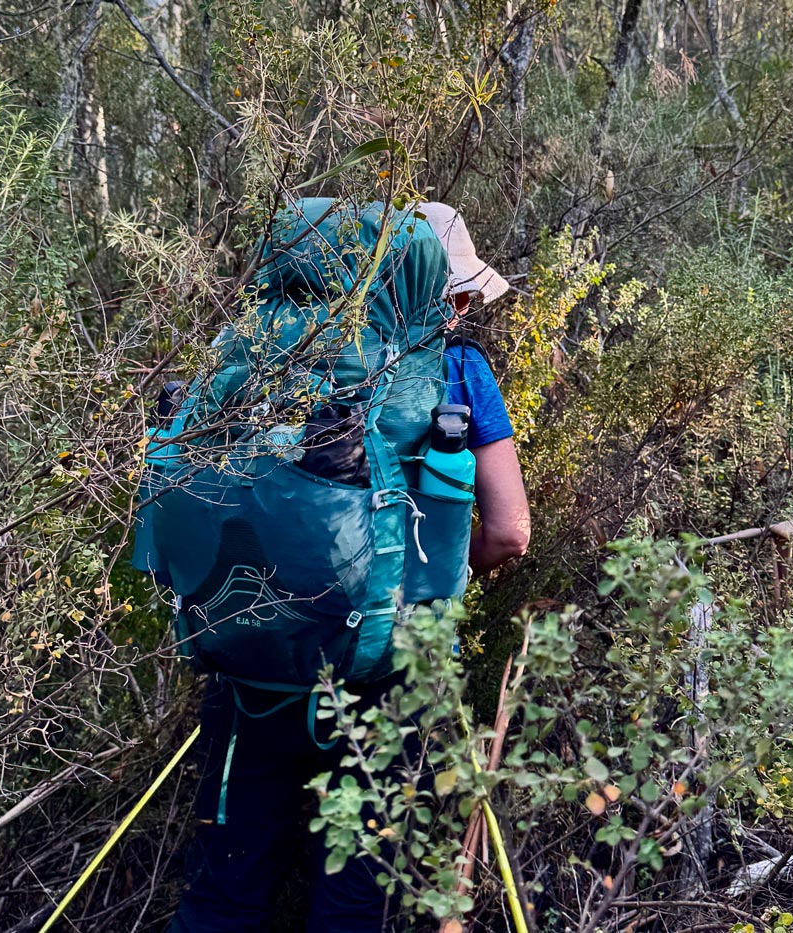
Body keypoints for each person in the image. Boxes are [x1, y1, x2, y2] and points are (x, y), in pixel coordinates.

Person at [167, 202, 529, 933]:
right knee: (354, 900)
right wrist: (441, 576)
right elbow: (512, 531)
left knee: (224, 894)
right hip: (390, 672)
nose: (461, 313)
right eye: (457, 295)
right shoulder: (457, 369)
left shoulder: (258, 353)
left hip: (251, 658)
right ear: (432, 290)